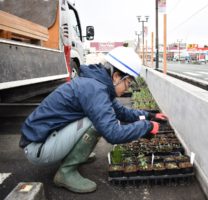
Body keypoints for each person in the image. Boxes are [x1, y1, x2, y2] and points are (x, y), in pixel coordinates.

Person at [19, 47, 167, 193]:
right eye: (128, 83)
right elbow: (113, 133)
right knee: (96, 123)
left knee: (98, 116)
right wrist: (145, 127)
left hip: (45, 138)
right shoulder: (95, 89)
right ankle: (65, 173)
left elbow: (121, 112)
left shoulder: (97, 83)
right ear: (116, 76)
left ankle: (76, 153)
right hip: (38, 148)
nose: (127, 89)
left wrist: (149, 116)